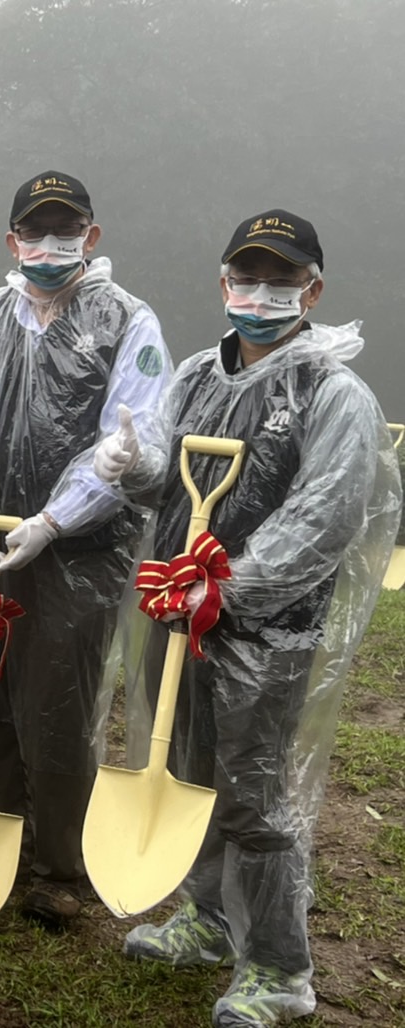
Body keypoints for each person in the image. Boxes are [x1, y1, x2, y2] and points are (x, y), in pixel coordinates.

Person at [98, 211, 399, 1027]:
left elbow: (323, 518)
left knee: (254, 796)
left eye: (281, 279)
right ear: (223, 283)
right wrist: (132, 467)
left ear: (313, 289)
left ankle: (279, 965)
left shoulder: (331, 393)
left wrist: (228, 589)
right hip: (181, 614)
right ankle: (208, 918)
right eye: (246, 277)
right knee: (190, 772)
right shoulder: (199, 374)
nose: (260, 294)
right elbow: (169, 476)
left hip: (265, 631)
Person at [0, 170, 172, 926]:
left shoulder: (126, 320)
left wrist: (55, 520)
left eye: (65, 230)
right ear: (13, 241)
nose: (48, 244)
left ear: (90, 237)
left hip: (79, 550)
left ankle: (59, 865)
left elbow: (128, 440)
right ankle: (2, 834)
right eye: (34, 231)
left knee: (61, 701)